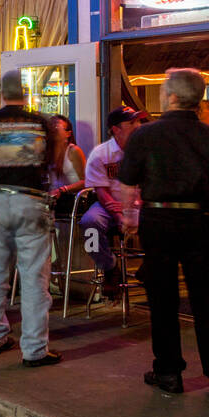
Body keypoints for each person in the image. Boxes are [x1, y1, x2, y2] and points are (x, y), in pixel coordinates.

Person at [121, 68, 209, 397]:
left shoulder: (144, 136)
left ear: (172, 97)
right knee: (206, 300)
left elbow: (127, 179)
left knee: (162, 298)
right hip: (199, 220)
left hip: (157, 220)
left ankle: (169, 372)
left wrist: (130, 217)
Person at [0, 70, 63, 366]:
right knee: (33, 278)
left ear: (1, 92)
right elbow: (55, 160)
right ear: (26, 91)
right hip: (31, 200)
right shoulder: (42, 122)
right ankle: (34, 350)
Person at [80, 106, 149, 292]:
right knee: (89, 225)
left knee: (166, 220)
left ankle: (150, 266)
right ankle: (108, 266)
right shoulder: (101, 154)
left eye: (138, 121)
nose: (138, 126)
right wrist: (119, 214)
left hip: (141, 205)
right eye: (132, 122)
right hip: (109, 205)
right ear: (116, 129)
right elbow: (101, 192)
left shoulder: (146, 151)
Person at [48, 114, 86, 216]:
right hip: (54, 198)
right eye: (52, 126)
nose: (54, 129)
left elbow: (85, 181)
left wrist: (63, 189)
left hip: (73, 198)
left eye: (58, 127)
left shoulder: (73, 151)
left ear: (68, 133)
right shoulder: (48, 152)